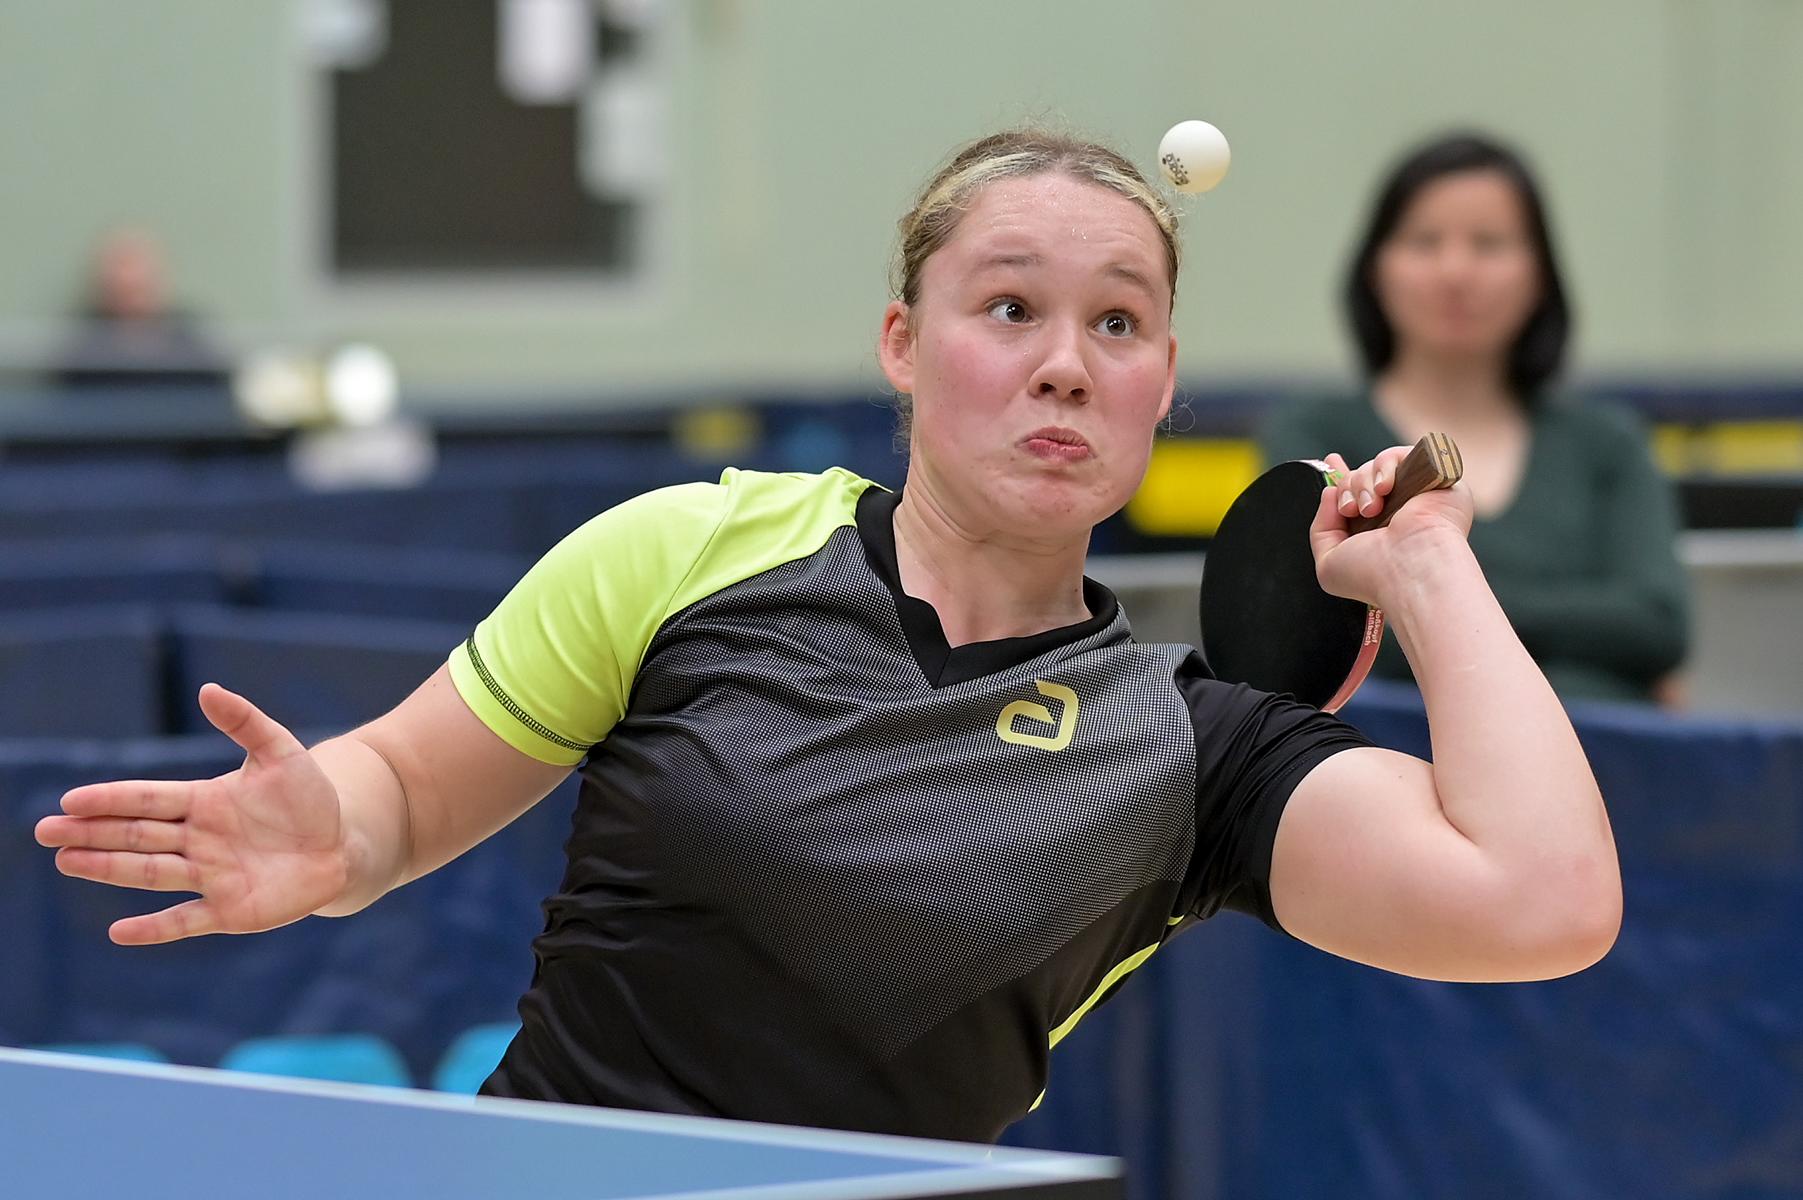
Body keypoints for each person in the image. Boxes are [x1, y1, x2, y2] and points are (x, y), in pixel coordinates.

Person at [35, 129, 1621, 1144]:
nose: (1064, 363)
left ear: (1159, 386)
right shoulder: (692, 551)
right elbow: (398, 790)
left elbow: (1541, 903)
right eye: (1008, 307)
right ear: (901, 346)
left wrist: (1427, 568)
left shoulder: (1185, 750)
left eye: (1117, 322)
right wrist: (338, 829)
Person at [1260, 132, 1689, 705]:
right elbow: (1318, 632)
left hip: (1605, 747)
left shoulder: (1607, 442)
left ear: (1540, 273)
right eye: (1424, 241)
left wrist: (1418, 596)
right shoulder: (1315, 435)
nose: (1455, 271)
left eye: (1489, 244)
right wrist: (1579, 626)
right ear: (1375, 269)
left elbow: (1657, 625)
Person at [51, 228, 227, 388]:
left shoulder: (192, 350)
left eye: (137, 289)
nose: (130, 301)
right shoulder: (81, 355)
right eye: (121, 289)